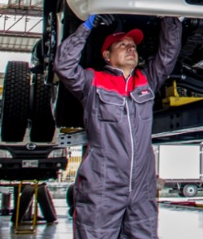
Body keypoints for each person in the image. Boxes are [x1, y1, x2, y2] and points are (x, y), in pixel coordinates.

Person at [55, 14, 182, 239]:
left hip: (142, 187)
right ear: (107, 55)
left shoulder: (146, 81)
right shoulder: (92, 82)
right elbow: (63, 66)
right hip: (103, 186)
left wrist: (170, 16)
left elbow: (167, 55)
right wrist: (86, 27)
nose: (130, 48)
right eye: (122, 45)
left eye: (132, 46)